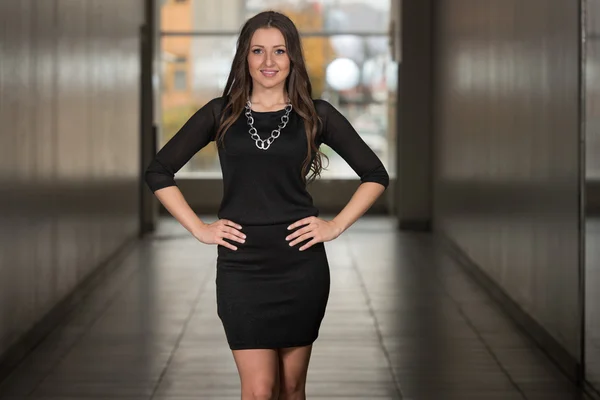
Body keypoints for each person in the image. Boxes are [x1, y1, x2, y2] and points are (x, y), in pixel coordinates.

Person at [145, 10, 389, 400]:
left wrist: (334, 226)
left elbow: (375, 175)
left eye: (279, 51)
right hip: (242, 265)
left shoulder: (316, 114)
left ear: (293, 57)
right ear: (245, 56)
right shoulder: (219, 113)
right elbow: (159, 172)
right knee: (259, 389)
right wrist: (201, 229)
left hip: (300, 263)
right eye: (258, 51)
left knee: (291, 389)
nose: (269, 62)